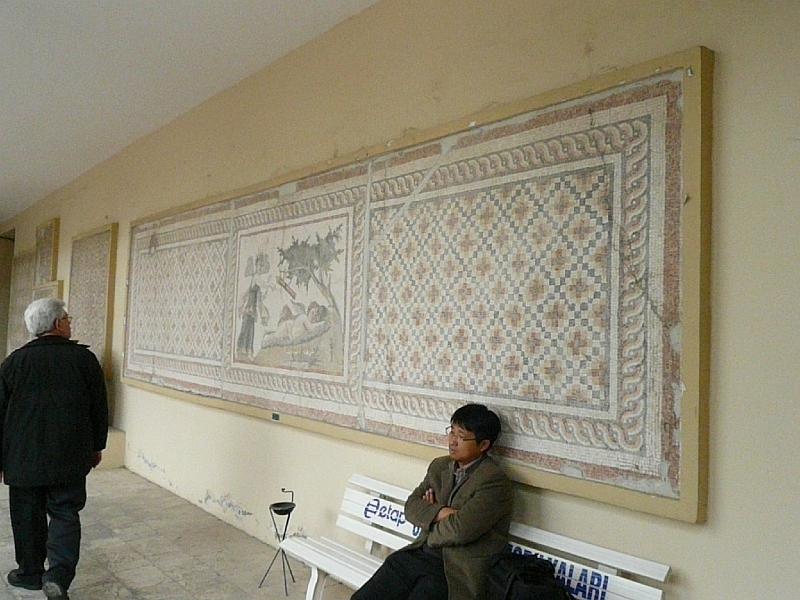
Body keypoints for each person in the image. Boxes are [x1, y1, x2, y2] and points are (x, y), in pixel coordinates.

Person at [0, 298, 108, 600]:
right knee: (65, 513)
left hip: (22, 457)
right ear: (57, 324)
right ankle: (58, 576)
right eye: (67, 319)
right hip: (69, 455)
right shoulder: (84, 360)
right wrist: (96, 446)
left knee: (26, 514)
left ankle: (30, 573)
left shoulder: (14, 363)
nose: (70, 323)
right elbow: (99, 408)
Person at [352, 403, 513, 600]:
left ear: (483, 445)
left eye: (461, 436)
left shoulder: (494, 481)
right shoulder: (440, 466)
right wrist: (442, 512)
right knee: (376, 586)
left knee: (425, 591)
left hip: (455, 570)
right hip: (421, 554)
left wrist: (430, 517)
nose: (452, 441)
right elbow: (411, 507)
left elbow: (460, 530)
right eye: (451, 432)